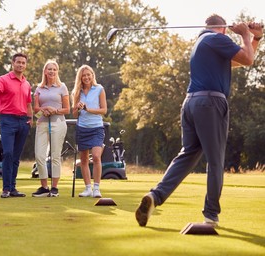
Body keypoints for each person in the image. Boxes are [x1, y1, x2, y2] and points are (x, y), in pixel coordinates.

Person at [135, 14, 263, 227]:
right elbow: (249, 59)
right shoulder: (217, 39)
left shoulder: (202, 43)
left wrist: (255, 39)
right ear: (222, 28)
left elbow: (241, 60)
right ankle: (211, 214)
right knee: (215, 160)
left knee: (187, 155)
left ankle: (155, 197)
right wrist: (244, 35)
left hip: (191, 103)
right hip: (211, 103)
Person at [0, 53, 33, 198]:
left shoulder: (27, 83)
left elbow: (28, 103)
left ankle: (13, 188)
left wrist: (31, 118)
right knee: (8, 153)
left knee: (16, 157)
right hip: (8, 120)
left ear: (25, 65)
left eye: (23, 63)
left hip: (23, 122)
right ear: (13, 63)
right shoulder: (3, 80)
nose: (21, 65)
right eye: (18, 62)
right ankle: (6, 189)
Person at [32, 60, 70, 197]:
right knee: (39, 156)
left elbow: (67, 109)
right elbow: (35, 109)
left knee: (55, 156)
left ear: (57, 71)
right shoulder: (39, 88)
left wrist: (55, 110)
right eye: (49, 69)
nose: (52, 71)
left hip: (58, 123)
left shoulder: (62, 87)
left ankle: (54, 188)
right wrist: (44, 109)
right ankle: (44, 187)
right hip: (42, 123)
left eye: (54, 69)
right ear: (45, 72)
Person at [71, 65, 107, 198]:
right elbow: (74, 114)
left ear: (92, 75)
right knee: (84, 159)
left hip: (97, 128)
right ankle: (88, 189)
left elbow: (103, 110)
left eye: (88, 74)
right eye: (84, 75)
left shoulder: (99, 89)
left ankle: (96, 188)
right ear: (80, 77)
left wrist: (88, 109)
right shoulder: (76, 92)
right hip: (82, 128)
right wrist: (78, 108)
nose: (86, 77)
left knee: (96, 157)